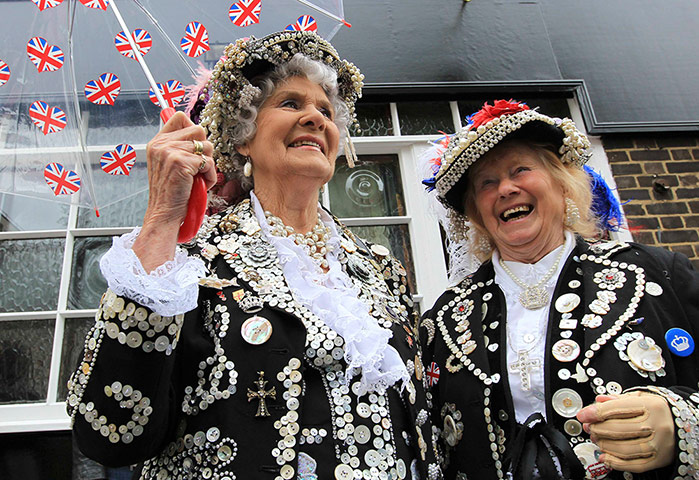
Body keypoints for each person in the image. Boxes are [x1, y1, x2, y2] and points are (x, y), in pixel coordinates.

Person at [66, 31, 440, 480]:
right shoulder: (188, 262)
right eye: (290, 104)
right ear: (243, 137)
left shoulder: (381, 269)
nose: (315, 118)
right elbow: (110, 433)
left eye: (325, 110)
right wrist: (164, 214)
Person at [419, 99, 699, 479]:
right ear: (477, 211)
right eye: (487, 182)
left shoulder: (655, 273)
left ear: (561, 183)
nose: (505, 189)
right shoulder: (447, 316)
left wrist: (682, 423)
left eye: (520, 170)